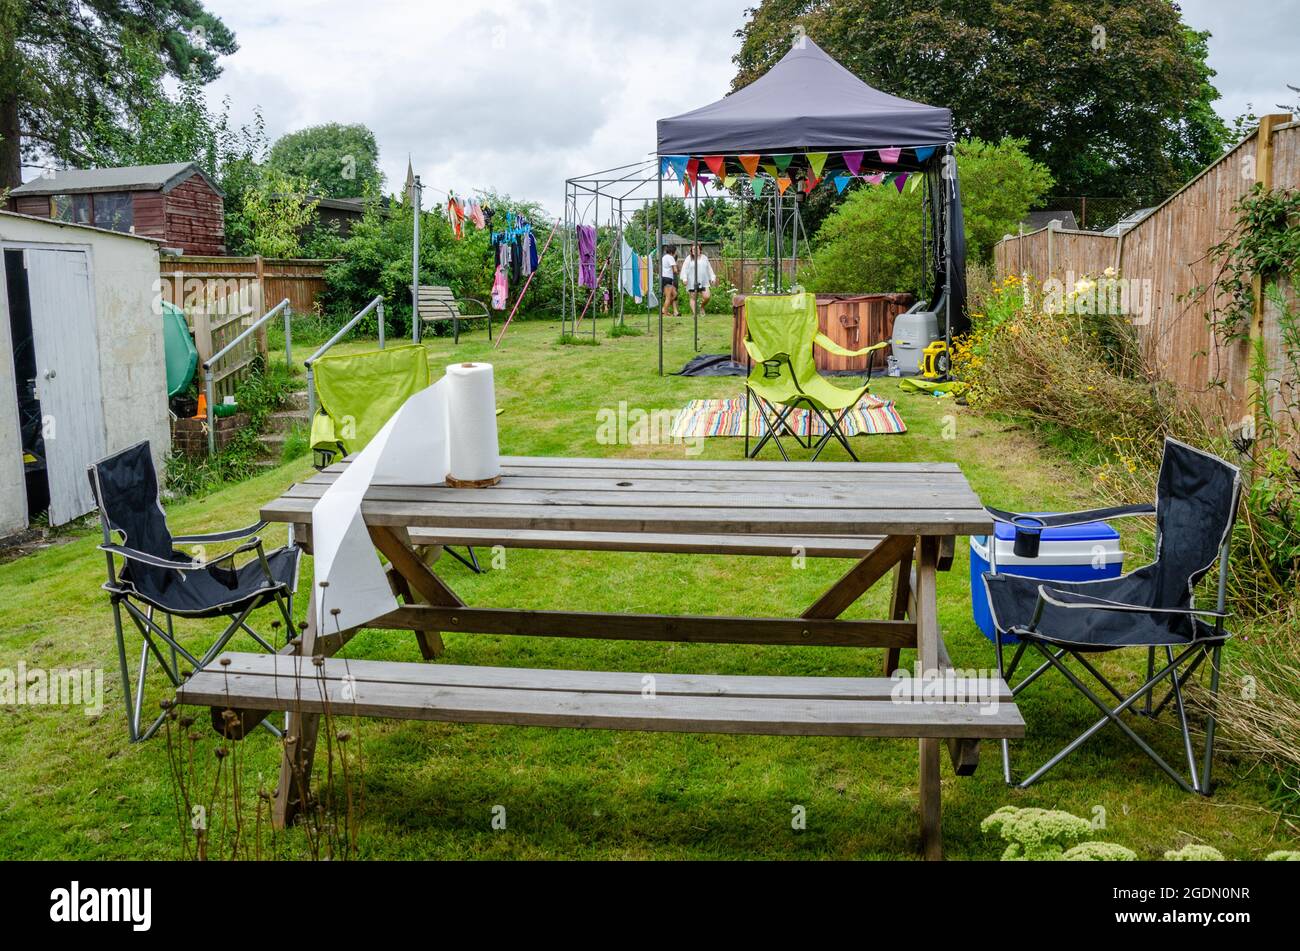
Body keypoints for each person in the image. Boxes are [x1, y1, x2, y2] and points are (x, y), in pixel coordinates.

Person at [681, 243, 716, 317]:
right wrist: (684, 278)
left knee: (707, 296)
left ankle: (702, 306)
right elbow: (684, 269)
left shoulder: (704, 258)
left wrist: (712, 278)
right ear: (691, 250)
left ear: (700, 250)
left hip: (703, 281)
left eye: (696, 249)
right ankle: (694, 314)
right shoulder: (688, 258)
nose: (695, 250)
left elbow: (709, 269)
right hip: (692, 281)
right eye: (693, 249)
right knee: (693, 297)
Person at [660, 244, 680, 317]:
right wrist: (678, 271)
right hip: (668, 278)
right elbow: (675, 270)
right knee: (668, 297)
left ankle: (664, 310)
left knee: (674, 294)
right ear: (673, 251)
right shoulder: (671, 258)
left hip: (664, 278)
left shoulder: (664, 257)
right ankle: (664, 313)